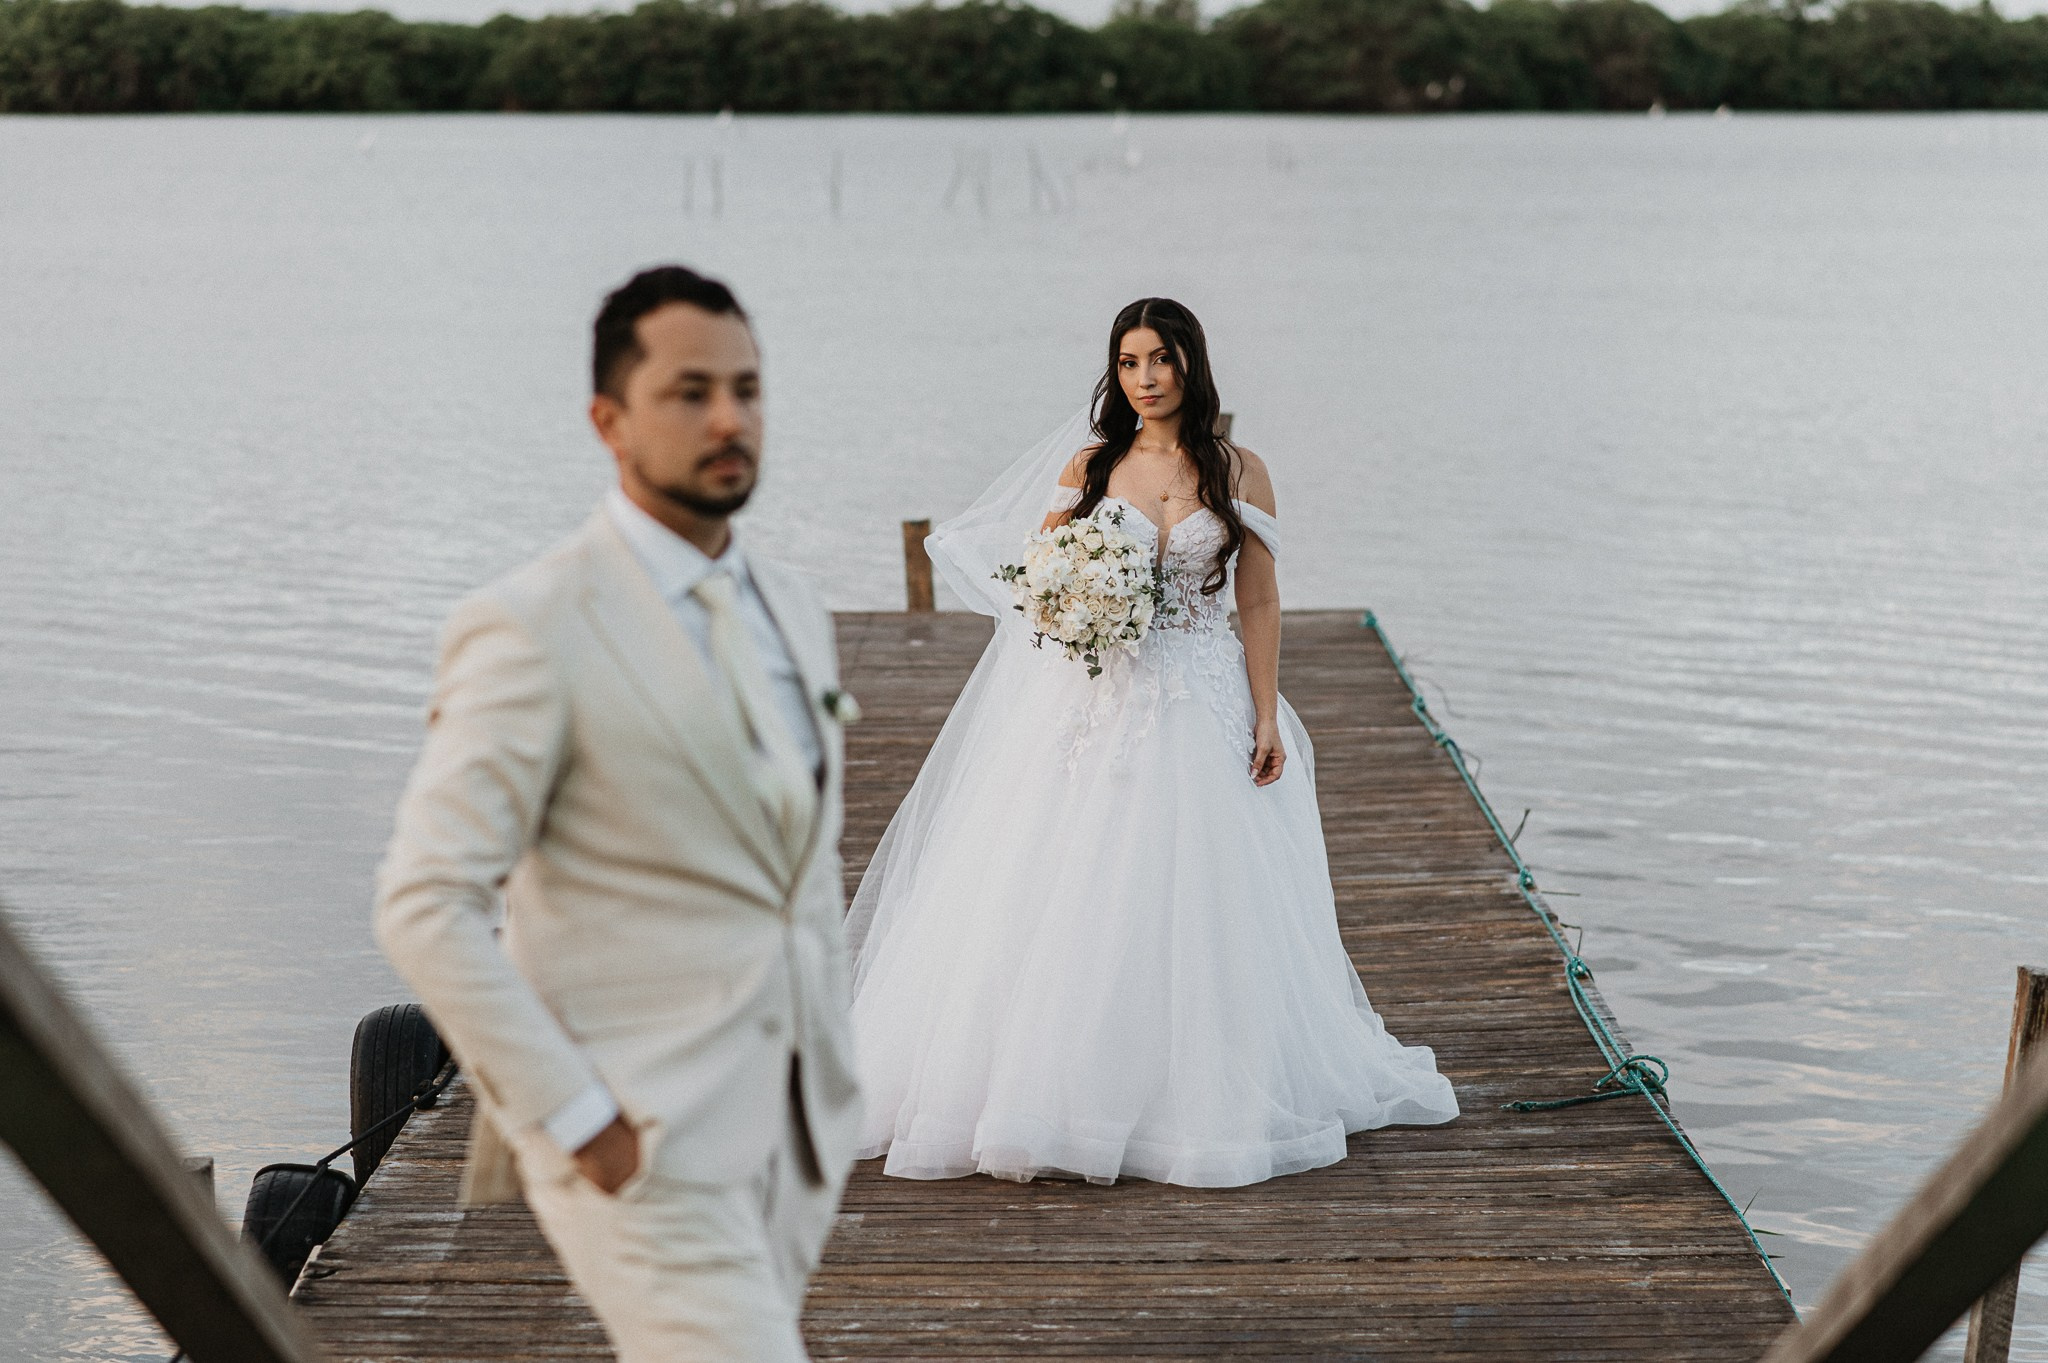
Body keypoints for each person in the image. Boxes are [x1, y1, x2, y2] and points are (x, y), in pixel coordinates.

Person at [845, 297, 1458, 1188]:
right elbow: (1038, 586)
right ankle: (1052, 1088)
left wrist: (1263, 712)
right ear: (1116, 373)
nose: (1145, 378)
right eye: (1129, 362)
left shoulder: (1242, 471)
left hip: (1204, 693)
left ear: (1190, 366)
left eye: (1160, 360)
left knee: (1206, 893)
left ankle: (1197, 1092)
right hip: (1102, 700)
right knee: (1071, 882)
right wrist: (1079, 603)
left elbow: (1258, 599)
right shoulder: (1092, 467)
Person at [373, 265, 861, 1362]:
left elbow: (793, 870)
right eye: (690, 391)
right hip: (641, 1141)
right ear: (609, 419)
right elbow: (424, 901)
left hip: (793, 1124)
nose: (730, 417)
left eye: (748, 386)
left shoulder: (790, 606)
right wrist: (581, 1120)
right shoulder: (532, 625)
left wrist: (833, 1070)